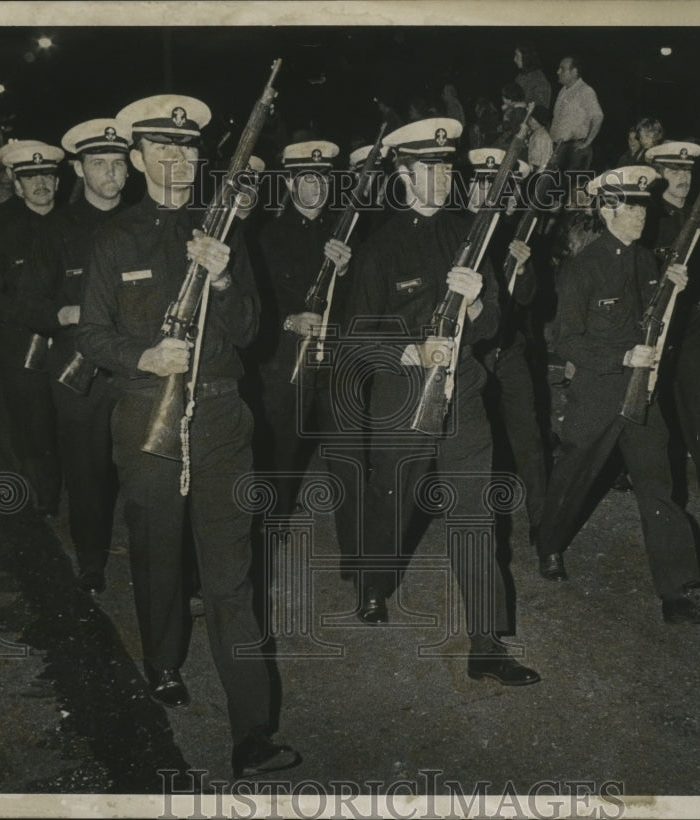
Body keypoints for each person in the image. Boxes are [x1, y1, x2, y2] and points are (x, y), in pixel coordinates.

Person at [77, 94, 299, 777]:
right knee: (157, 553)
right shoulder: (115, 240)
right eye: (162, 149)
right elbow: (90, 335)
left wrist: (226, 274)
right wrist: (144, 356)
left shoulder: (224, 227)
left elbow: (254, 330)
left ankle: (251, 732)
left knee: (232, 577)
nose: (177, 158)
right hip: (147, 414)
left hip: (223, 416)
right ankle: (163, 660)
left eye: (188, 148)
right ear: (138, 158)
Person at [343, 117, 541, 685]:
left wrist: (478, 306)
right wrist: (410, 350)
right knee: (393, 501)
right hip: (401, 400)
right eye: (428, 168)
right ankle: (374, 581)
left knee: (475, 517)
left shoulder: (470, 234)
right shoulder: (377, 247)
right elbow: (357, 336)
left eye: (444, 167)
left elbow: (496, 325)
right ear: (404, 174)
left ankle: (486, 641)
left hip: (464, 397)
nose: (440, 176)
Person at [535, 165, 700, 625]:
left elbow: (657, 327)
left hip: (642, 397)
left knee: (659, 487)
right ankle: (549, 544)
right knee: (573, 480)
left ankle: (676, 594)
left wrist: (676, 292)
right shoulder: (584, 268)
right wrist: (622, 357)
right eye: (629, 206)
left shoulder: (645, 261)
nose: (639, 215)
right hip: (598, 394)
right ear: (605, 210)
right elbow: (564, 339)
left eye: (643, 205)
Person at [23, 119, 131, 594]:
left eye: (118, 162)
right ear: (78, 169)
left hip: (136, 368)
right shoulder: (56, 230)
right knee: (87, 474)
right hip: (80, 370)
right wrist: (64, 312)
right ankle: (91, 561)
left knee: (148, 472)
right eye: (99, 163)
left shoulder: (142, 220)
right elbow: (28, 301)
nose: (110, 172)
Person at [252, 139, 361, 571]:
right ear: (290, 181)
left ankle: (357, 559)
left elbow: (364, 302)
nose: (314, 187)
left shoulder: (347, 234)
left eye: (321, 178)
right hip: (286, 364)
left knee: (348, 458)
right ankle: (268, 537)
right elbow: (254, 304)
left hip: (334, 364)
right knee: (279, 455)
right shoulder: (267, 236)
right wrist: (289, 321)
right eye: (305, 178)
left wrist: (348, 269)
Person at [640, 140, 700, 514]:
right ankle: (634, 473)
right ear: (659, 176)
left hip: (692, 327)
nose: (682, 179)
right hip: (656, 328)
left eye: (686, 172)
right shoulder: (648, 220)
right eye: (674, 172)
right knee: (649, 405)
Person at [0, 140, 65, 515]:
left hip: (70, 342)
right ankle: (43, 495)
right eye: (31, 177)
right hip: (22, 345)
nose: (41, 183)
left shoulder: (72, 223)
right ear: (17, 183)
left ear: (58, 182)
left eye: (47, 175)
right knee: (32, 425)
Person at [465, 149, 547, 551]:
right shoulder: (457, 229)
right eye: (488, 184)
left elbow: (532, 300)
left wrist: (525, 268)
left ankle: (543, 528)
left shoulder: (520, 235)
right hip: (470, 353)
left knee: (528, 438)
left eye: (507, 188)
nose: (498, 195)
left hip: (510, 351)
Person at [549, 55, 604, 171]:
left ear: (574, 72)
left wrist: (586, 143)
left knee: (569, 186)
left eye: (562, 69)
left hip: (573, 151)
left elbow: (598, 116)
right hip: (559, 149)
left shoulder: (585, 91)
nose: (558, 71)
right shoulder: (563, 90)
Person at [513, 43, 552, 113]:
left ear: (526, 57)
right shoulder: (519, 77)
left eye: (517, 56)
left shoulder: (539, 79)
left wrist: (524, 105)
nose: (514, 59)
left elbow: (542, 106)